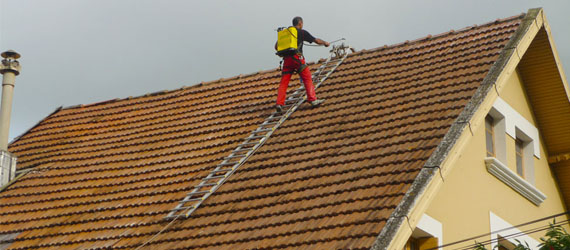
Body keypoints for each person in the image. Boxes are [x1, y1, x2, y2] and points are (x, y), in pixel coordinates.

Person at [274, 16, 330, 113]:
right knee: (307, 77)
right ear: (300, 23)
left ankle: (279, 103)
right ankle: (313, 99)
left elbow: (276, 47)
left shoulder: (286, 33)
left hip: (287, 60)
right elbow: (316, 40)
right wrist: (325, 43)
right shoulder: (302, 32)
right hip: (297, 58)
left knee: (284, 82)